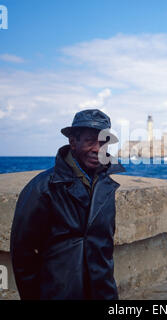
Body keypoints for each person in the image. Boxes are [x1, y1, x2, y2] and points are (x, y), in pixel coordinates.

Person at [10, 109, 126, 300]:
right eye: (90, 140)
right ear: (73, 142)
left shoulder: (106, 185)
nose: (98, 148)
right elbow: (23, 254)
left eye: (103, 142)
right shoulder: (42, 188)